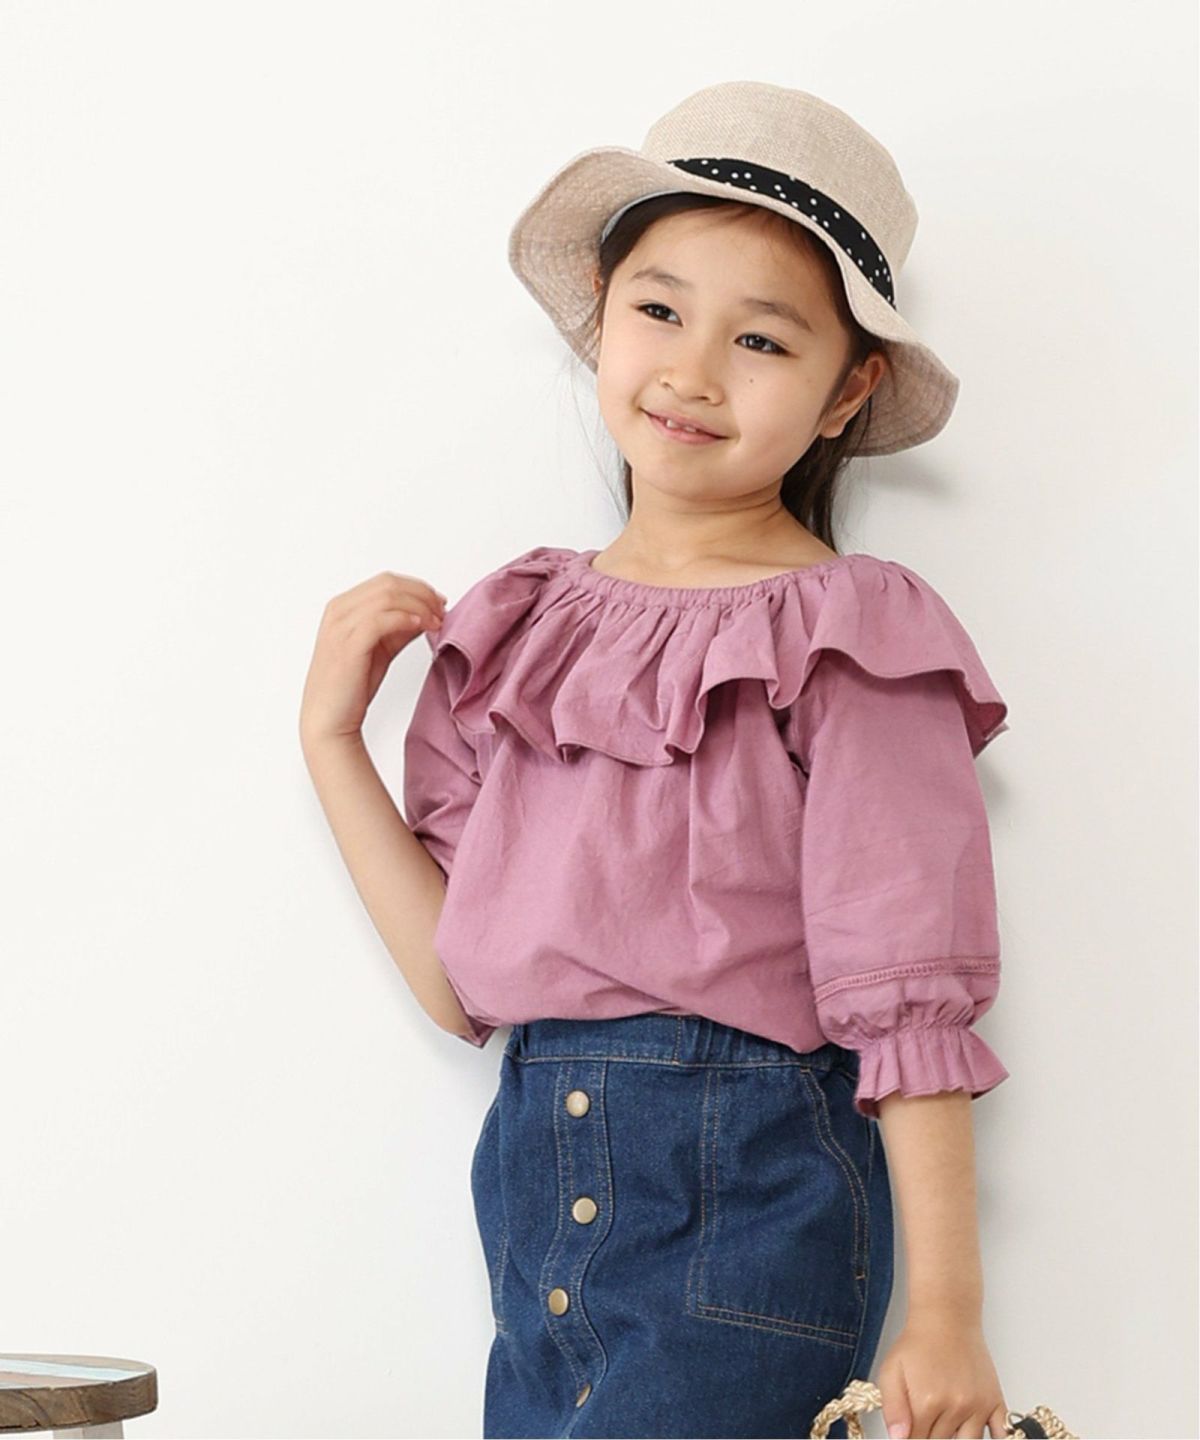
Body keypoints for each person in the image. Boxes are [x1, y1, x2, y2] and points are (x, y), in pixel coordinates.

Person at [301, 81, 1014, 1440]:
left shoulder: (851, 636)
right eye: (660, 310)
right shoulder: (519, 628)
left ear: (847, 390)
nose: (692, 372)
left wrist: (948, 1312)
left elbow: (905, 986)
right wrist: (334, 742)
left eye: (762, 339)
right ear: (600, 313)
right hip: (532, 1192)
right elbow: (460, 981)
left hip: (743, 1202)